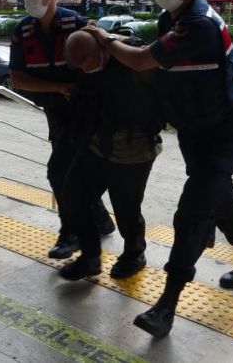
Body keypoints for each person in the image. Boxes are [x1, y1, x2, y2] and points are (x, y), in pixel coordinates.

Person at [83, 0, 233, 338]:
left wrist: (105, 39)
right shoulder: (172, 17)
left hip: (221, 133)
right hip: (196, 130)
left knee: (190, 214)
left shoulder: (197, 24)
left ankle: (166, 306)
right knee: (220, 201)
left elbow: (140, 60)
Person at [8, 0, 114, 260]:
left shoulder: (78, 26)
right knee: (70, 173)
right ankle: (100, 220)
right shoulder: (23, 31)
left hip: (88, 115)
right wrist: (58, 88)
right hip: (55, 115)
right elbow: (17, 78)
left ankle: (71, 233)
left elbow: (103, 68)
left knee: (59, 172)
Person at [58, 31, 162, 281]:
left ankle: (134, 253)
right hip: (95, 145)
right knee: (73, 196)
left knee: (126, 209)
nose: (83, 69)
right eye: (78, 65)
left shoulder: (132, 60)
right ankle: (90, 257)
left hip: (133, 150)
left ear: (103, 49)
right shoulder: (83, 64)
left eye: (87, 62)